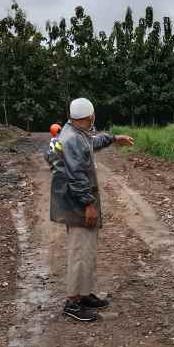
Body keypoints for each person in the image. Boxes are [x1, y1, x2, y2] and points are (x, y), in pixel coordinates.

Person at [49, 98, 134, 322]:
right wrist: (88, 204)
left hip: (77, 202)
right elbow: (76, 177)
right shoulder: (72, 139)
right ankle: (72, 302)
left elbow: (93, 142)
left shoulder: (76, 132)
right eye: (94, 115)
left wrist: (114, 139)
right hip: (77, 205)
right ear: (89, 116)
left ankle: (84, 294)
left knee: (87, 251)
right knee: (79, 252)